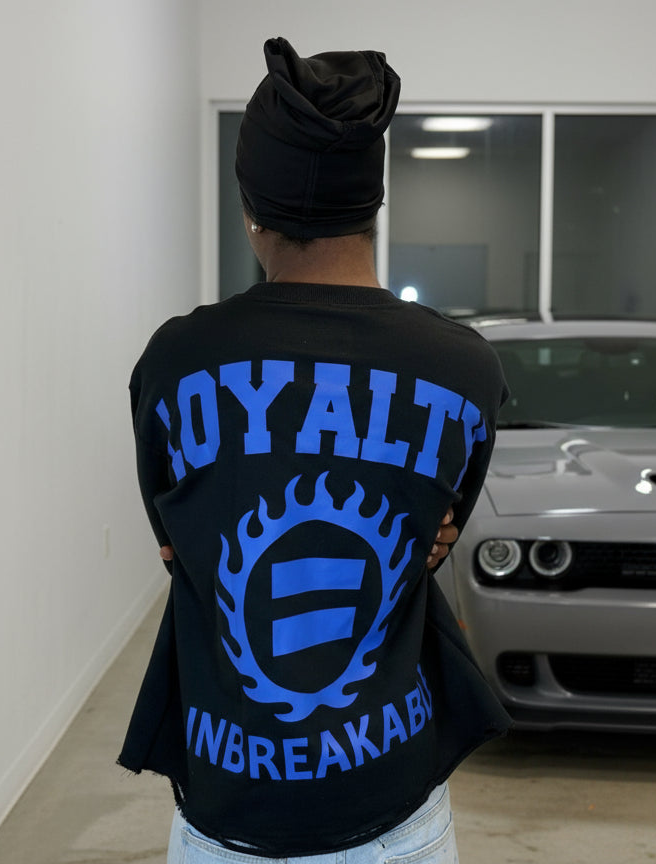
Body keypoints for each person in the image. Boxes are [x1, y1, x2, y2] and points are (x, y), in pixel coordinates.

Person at [118, 37, 511, 862]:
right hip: (393, 804)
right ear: (373, 207)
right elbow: (435, 535)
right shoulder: (463, 368)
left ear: (252, 212)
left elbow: (174, 540)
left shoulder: (177, 361)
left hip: (227, 801)